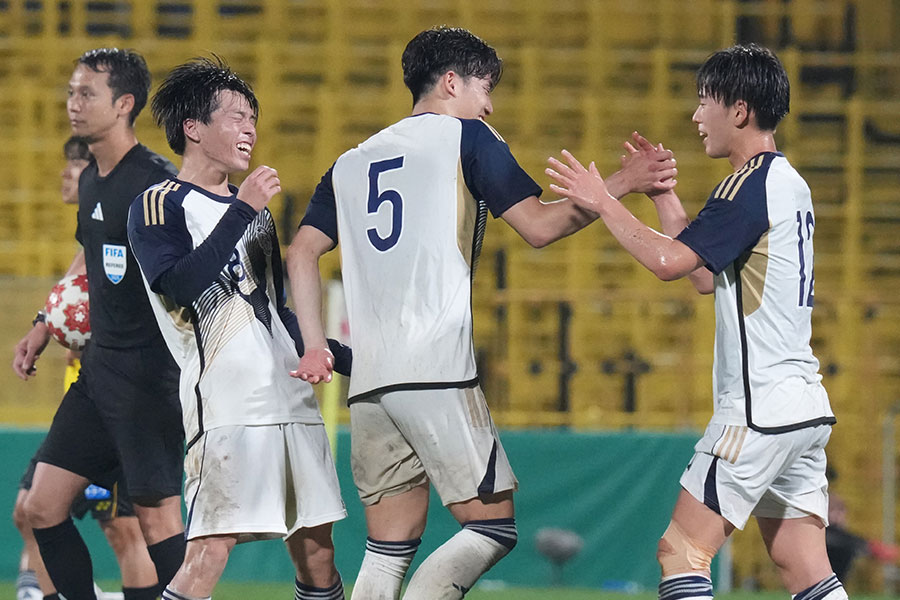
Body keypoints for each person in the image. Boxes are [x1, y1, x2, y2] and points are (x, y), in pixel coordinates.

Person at [286, 26, 676, 600]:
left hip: (369, 381)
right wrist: (621, 185)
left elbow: (300, 252)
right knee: (491, 526)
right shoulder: (466, 136)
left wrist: (316, 344)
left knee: (388, 548)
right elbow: (540, 227)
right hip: (437, 367)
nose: (489, 102)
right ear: (450, 82)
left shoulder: (351, 162)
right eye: (484, 87)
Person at [545, 44, 846, 600]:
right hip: (802, 407)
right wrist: (663, 197)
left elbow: (669, 264)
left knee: (681, 554)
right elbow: (707, 275)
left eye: (704, 101)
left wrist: (603, 200)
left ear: (738, 110)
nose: (695, 116)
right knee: (804, 570)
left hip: (757, 409)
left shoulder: (746, 185)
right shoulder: (785, 182)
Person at [127, 56, 351, 600]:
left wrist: (339, 354)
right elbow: (180, 288)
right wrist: (242, 208)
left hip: (292, 399)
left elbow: (273, 311)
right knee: (208, 550)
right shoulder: (159, 205)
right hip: (228, 406)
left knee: (318, 550)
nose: (249, 127)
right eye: (235, 116)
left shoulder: (257, 215)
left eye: (253, 116)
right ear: (193, 128)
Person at [12, 48, 186, 600]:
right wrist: (44, 323)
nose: (73, 104)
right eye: (71, 92)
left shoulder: (157, 186)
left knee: (154, 523)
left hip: (149, 382)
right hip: (97, 375)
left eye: (87, 94)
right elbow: (88, 261)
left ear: (124, 104)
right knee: (40, 507)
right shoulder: (91, 183)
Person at [13, 137, 157, 600]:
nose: (67, 172)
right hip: (88, 397)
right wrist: (43, 324)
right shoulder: (91, 236)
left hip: (122, 400)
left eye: (78, 163)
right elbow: (73, 290)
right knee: (32, 508)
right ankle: (40, 588)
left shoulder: (131, 219)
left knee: (125, 528)